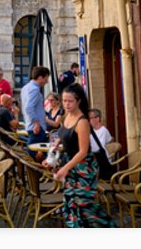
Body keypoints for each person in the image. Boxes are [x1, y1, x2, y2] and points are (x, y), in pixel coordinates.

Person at [46, 83, 114, 227]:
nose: (67, 104)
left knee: (85, 207)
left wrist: (65, 169)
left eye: (70, 101)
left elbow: (83, 151)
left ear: (79, 101)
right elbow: (65, 133)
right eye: (64, 101)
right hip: (71, 166)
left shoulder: (82, 121)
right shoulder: (66, 116)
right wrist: (57, 143)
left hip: (84, 169)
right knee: (70, 204)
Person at [20, 66, 50, 150]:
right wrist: (36, 122)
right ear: (40, 77)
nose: (47, 81)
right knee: (33, 151)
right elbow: (28, 107)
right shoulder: (35, 90)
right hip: (36, 128)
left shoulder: (25, 88)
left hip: (30, 125)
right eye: (46, 78)